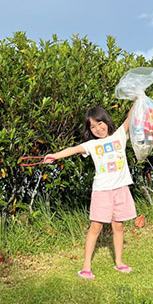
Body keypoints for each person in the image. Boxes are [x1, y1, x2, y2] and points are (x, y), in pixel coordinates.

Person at [43, 103, 137, 280]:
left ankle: (119, 261)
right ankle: (86, 266)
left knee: (118, 226)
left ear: (106, 122)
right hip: (102, 191)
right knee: (96, 227)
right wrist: (55, 156)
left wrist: (138, 98)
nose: (98, 129)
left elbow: (129, 118)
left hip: (120, 189)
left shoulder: (119, 136)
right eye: (92, 127)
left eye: (99, 123)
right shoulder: (92, 145)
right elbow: (73, 150)